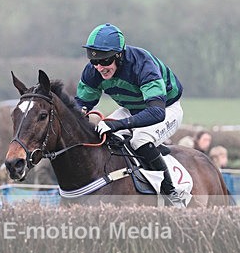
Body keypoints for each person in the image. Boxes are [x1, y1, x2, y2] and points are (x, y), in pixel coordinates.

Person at [76, 23, 185, 206]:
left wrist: (118, 124)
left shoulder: (142, 64)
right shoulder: (92, 71)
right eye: (94, 61)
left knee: (139, 140)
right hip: (131, 108)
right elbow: (81, 103)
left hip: (166, 108)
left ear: (119, 55)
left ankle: (171, 193)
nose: (100, 67)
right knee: (103, 136)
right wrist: (79, 113)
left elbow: (156, 112)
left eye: (105, 61)